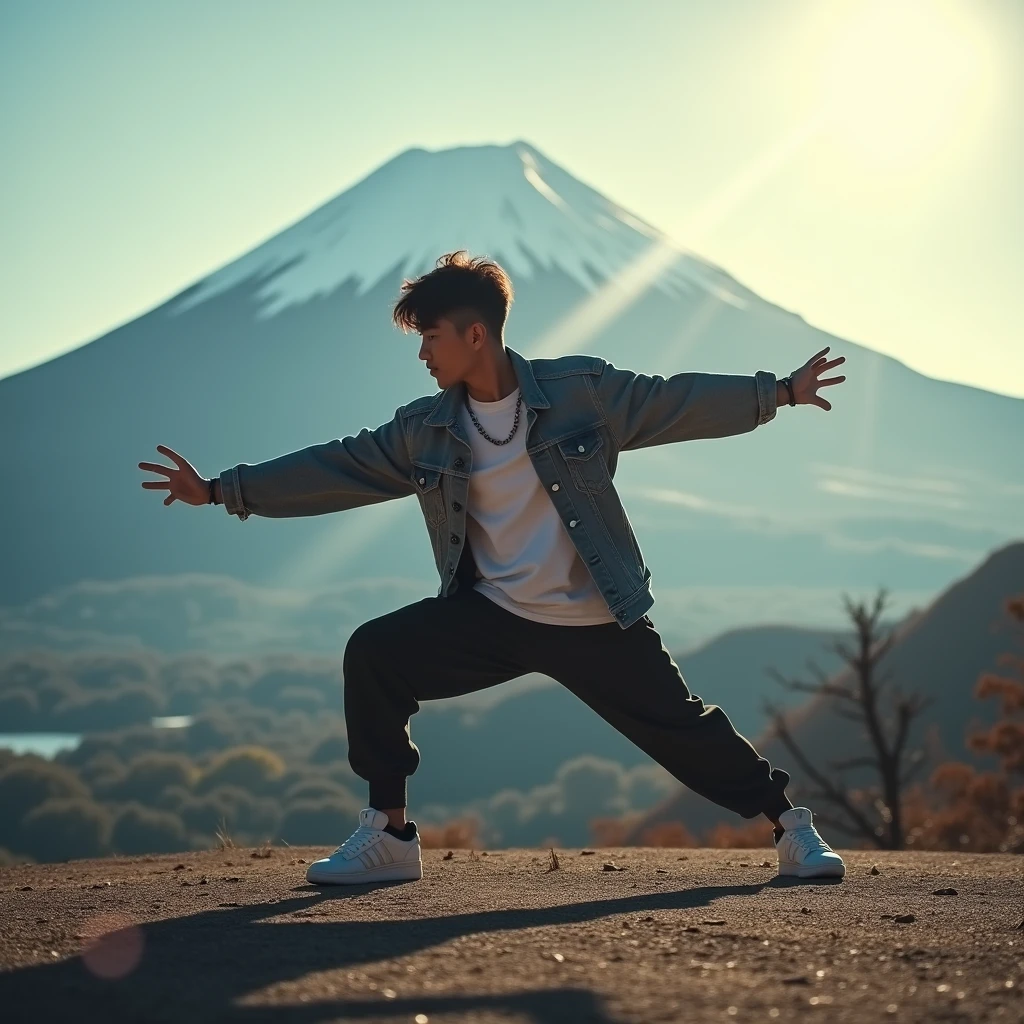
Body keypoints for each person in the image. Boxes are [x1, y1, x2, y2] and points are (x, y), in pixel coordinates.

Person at [139, 250, 848, 885]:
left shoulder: (582, 393)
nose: (423, 354)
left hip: (595, 617)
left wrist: (778, 391)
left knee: (684, 729)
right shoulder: (426, 427)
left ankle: (791, 829)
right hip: (494, 616)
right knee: (375, 654)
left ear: (474, 334)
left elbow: (672, 399)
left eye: (430, 336)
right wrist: (222, 489)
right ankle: (389, 836)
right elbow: (342, 465)